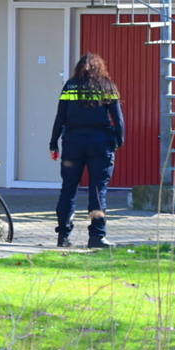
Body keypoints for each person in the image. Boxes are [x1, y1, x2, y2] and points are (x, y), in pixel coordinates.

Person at [49, 53, 125, 249]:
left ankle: (63, 236)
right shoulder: (107, 85)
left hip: (73, 142)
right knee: (98, 190)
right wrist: (118, 141)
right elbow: (118, 119)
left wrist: (53, 143)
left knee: (68, 188)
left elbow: (60, 116)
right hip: (100, 142)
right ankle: (97, 237)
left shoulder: (70, 86)